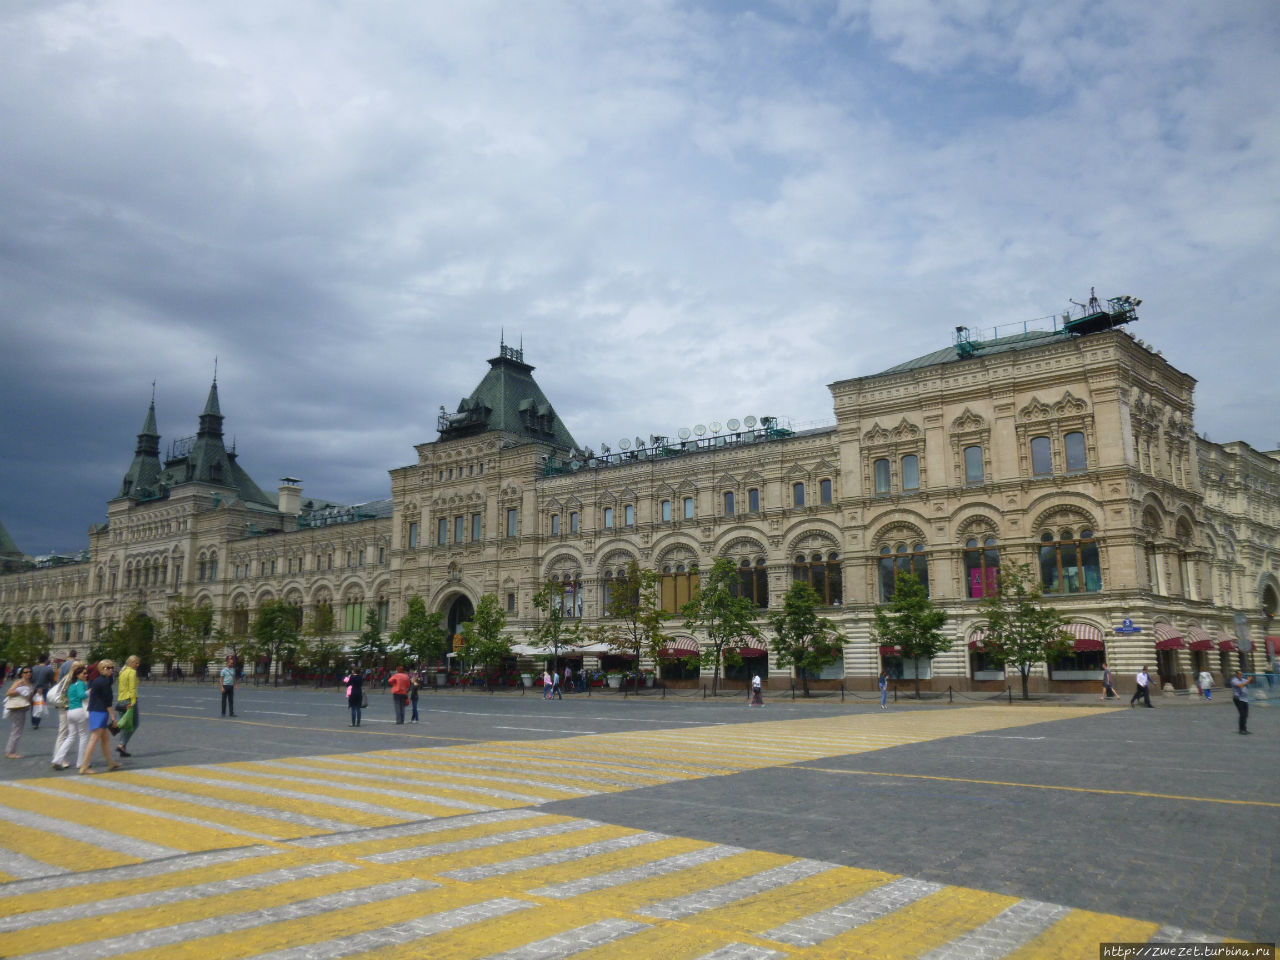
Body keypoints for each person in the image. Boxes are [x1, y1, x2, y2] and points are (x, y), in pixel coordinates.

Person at [80, 660, 120, 774]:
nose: (111, 669)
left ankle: (110, 762)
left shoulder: (98, 681)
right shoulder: (104, 682)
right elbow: (108, 701)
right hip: (100, 712)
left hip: (95, 710)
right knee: (93, 740)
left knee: (105, 739)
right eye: (108, 668)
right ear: (101, 669)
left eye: (112, 667)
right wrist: (113, 717)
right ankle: (84, 766)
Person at [52, 662, 89, 771]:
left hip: (69, 711)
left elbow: (64, 693)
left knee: (70, 736)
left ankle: (57, 759)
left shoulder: (69, 682)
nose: (85, 674)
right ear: (78, 673)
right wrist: (90, 692)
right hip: (77, 710)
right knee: (83, 736)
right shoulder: (80, 683)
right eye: (83, 672)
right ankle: (80, 762)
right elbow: (81, 695)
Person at [5, 666, 34, 758]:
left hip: (22, 707)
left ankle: (10, 751)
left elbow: (28, 696)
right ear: (22, 674)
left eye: (29, 671)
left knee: (18, 729)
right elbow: (8, 692)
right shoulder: (19, 682)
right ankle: (10, 752)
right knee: (16, 730)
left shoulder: (29, 683)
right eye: (25, 672)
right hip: (17, 707)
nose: (28, 673)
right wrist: (20, 691)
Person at [115, 655, 140, 758]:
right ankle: (121, 744)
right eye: (136, 663)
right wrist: (133, 701)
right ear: (131, 663)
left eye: (138, 663)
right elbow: (132, 688)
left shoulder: (122, 672)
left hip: (121, 699)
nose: (137, 665)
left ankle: (122, 748)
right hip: (129, 700)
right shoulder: (132, 672)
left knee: (125, 724)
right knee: (134, 724)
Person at [29, 653, 55, 730]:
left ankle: (33, 721)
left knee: (33, 705)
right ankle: (36, 722)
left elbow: (31, 679)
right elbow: (51, 681)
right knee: (40, 705)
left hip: (33, 689)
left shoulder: (33, 668)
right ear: (46, 660)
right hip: (43, 690)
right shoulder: (49, 669)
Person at [1230, 669, 1252, 734]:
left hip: (1244, 699)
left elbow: (1250, 682)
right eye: (1239, 674)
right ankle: (1241, 729)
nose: (1241, 675)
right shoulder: (1234, 680)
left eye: (1241, 674)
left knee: (1246, 714)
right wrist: (1248, 680)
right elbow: (1240, 685)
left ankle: (1244, 729)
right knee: (1242, 714)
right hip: (1238, 698)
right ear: (1236, 674)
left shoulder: (1243, 679)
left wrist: (1250, 678)